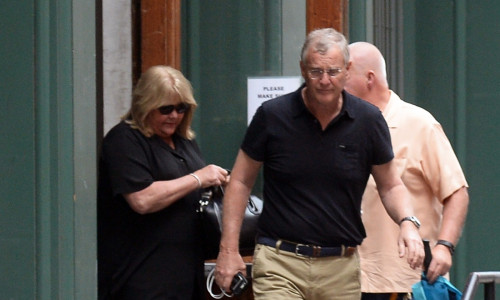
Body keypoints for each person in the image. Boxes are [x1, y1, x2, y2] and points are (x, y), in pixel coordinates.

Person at [214, 28, 424, 300]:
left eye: (333, 72)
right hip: (280, 262)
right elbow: (241, 181)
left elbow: (391, 185)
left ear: (348, 70)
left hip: (340, 266)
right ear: (303, 69)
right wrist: (228, 251)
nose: (325, 80)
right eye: (316, 72)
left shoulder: (368, 121)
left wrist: (408, 223)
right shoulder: (272, 116)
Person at [344, 42, 469, 300]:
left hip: (404, 281)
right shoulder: (340, 127)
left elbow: (457, 192)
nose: (333, 82)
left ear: (369, 78)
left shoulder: (419, 124)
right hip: (346, 280)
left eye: (343, 74)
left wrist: (445, 247)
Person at [97, 65, 230, 299]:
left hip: (186, 277)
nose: (174, 116)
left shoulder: (183, 141)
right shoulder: (125, 140)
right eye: (165, 108)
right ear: (145, 105)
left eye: (181, 108)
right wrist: (198, 178)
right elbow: (142, 199)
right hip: (141, 278)